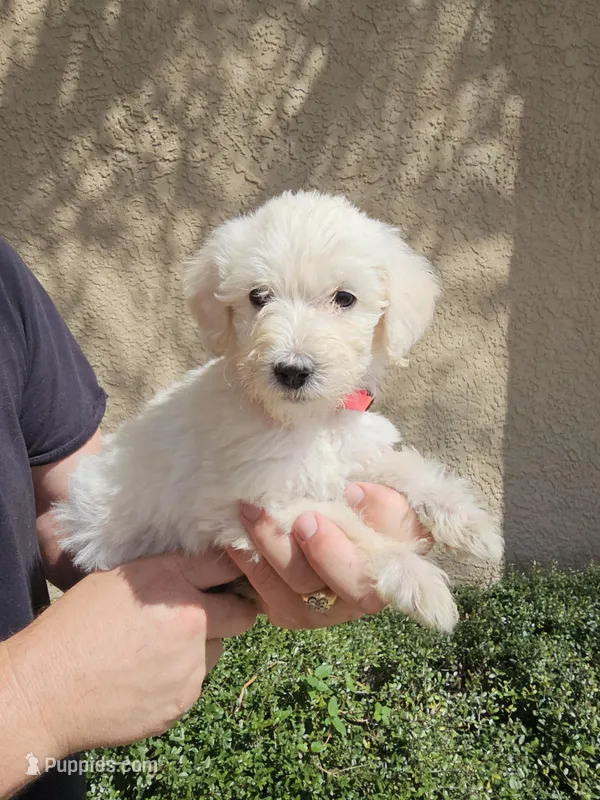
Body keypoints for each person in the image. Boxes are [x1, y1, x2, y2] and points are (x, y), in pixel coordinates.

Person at [0, 238, 429, 798]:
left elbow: (60, 513)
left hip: (52, 775)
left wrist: (222, 569)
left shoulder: (5, 283)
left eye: (342, 298)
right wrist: (36, 695)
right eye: (260, 297)